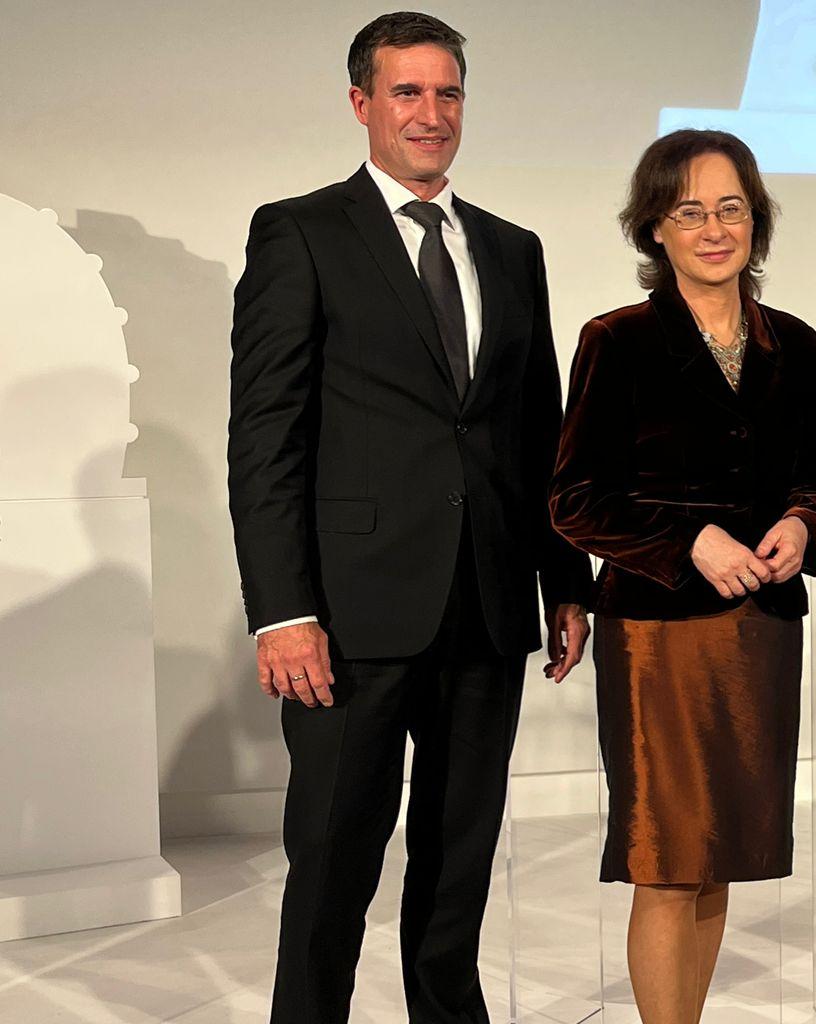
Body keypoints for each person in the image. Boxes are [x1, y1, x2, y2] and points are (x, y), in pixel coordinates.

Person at [226, 12, 592, 1022]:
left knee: (458, 858)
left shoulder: (513, 250)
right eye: (407, 93)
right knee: (334, 865)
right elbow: (265, 436)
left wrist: (563, 579)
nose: (431, 115)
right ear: (361, 104)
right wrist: (281, 610)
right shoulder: (300, 231)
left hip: (484, 604)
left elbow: (535, 433)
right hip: (349, 615)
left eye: (448, 93)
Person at [546, 129, 816, 1024]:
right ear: (655, 230)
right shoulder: (617, 341)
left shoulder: (797, 342)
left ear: (758, 221)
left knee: (719, 858)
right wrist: (689, 542)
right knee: (667, 861)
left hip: (761, 633)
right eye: (690, 212)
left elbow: (810, 479)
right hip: (658, 640)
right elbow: (574, 501)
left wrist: (800, 522)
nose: (715, 229)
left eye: (732, 209)